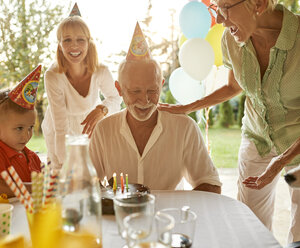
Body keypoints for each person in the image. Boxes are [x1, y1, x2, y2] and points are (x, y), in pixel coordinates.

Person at [158, 0, 300, 242]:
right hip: (257, 136)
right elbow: (234, 86)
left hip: (297, 140)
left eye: (225, 7)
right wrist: (187, 107)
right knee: (250, 223)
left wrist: (282, 161)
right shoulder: (231, 39)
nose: (220, 20)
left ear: (258, 3)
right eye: (216, 9)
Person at [89, 23, 221, 193]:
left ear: (161, 84)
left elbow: (211, 186)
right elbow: (87, 186)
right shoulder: (103, 131)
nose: (144, 100)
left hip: (169, 218)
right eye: (135, 91)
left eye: (152, 90)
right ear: (119, 89)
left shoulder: (185, 128)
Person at [41, 4, 121, 169]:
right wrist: (64, 164)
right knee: (63, 176)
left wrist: (102, 109)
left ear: (89, 42)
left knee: (93, 175)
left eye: (80, 40)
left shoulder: (101, 70)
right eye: (67, 40)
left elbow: (115, 97)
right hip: (60, 128)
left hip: (90, 125)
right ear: (59, 44)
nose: (74, 46)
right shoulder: (53, 75)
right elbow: (60, 125)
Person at [0, 66, 42, 196]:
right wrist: (38, 187)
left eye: (30, 127)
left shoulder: (33, 157)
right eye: (19, 128)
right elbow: (3, 189)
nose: (26, 135)